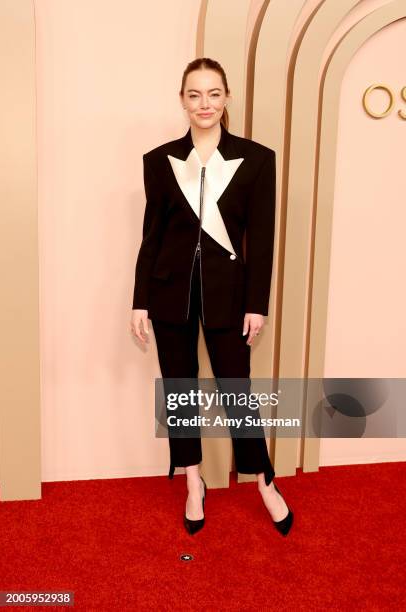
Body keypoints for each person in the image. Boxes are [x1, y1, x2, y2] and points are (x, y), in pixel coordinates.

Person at [130, 57, 293, 537]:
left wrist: (256, 303)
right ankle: (193, 482)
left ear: (227, 98)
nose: (205, 104)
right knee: (179, 392)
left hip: (230, 296)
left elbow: (260, 241)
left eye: (214, 94)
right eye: (195, 94)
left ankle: (264, 481)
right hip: (168, 295)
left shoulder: (258, 159)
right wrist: (140, 300)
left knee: (236, 391)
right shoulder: (159, 161)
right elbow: (151, 236)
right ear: (182, 99)